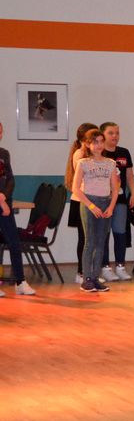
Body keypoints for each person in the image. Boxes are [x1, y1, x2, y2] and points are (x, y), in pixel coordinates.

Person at [71, 128, 119, 293]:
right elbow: (75, 188)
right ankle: (87, 279)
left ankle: (96, 277)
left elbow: (115, 188)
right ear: (88, 144)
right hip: (89, 203)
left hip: (106, 203)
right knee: (90, 241)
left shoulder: (110, 163)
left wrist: (111, 207)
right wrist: (90, 205)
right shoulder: (83, 163)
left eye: (101, 142)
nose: (99, 145)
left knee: (101, 242)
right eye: (95, 142)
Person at [0, 121, 36, 297]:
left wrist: (4, 197)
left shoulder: (4, 153)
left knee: (14, 243)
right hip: (2, 204)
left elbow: (10, 179)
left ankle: (20, 282)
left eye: (0, 132)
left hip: (5, 203)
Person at [99, 121, 134, 282]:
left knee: (120, 232)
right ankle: (105, 267)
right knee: (104, 234)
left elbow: (129, 175)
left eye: (117, 133)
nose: (115, 136)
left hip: (120, 200)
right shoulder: (99, 153)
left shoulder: (124, 152)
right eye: (111, 133)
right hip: (103, 200)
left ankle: (120, 266)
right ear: (102, 135)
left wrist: (133, 192)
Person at [65, 122, 98, 284]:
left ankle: (89, 271)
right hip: (81, 201)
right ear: (85, 139)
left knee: (90, 238)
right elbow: (87, 176)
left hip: (92, 200)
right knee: (85, 239)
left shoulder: (92, 154)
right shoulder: (79, 154)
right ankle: (81, 272)